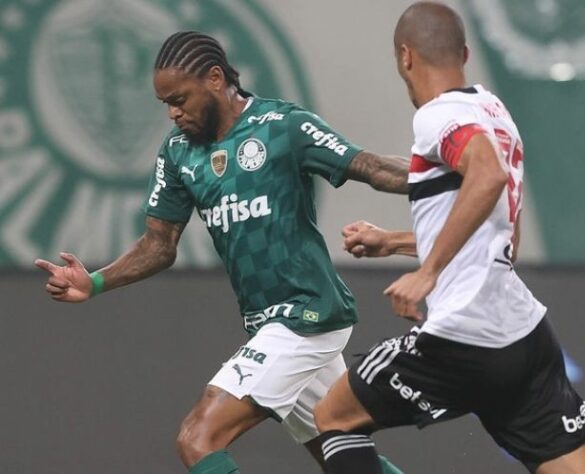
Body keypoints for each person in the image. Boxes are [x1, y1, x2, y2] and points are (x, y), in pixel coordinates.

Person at [34, 31, 407, 474]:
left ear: (214, 78)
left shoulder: (281, 126)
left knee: (198, 439)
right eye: (165, 104)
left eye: (180, 99)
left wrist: (450, 174)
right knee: (344, 459)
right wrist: (94, 281)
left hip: (304, 316)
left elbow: (371, 167)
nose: (173, 113)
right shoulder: (178, 152)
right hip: (268, 323)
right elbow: (159, 244)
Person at [313, 3, 585, 473]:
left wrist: (426, 273)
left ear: (405, 57)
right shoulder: (493, 110)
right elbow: (499, 237)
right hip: (523, 334)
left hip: (465, 334)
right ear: (465, 53)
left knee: (335, 416)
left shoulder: (438, 115)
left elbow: (485, 175)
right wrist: (393, 242)